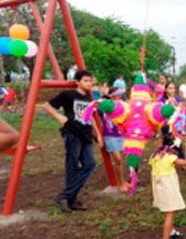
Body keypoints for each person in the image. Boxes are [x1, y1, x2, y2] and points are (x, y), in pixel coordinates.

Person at [43, 70, 103, 213]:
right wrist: (59, 117)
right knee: (72, 166)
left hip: (86, 134)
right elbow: (46, 105)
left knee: (90, 164)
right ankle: (71, 200)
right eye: (85, 81)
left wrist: (98, 134)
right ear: (77, 82)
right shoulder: (68, 95)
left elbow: (92, 116)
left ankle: (65, 196)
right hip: (72, 133)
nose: (88, 83)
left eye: (90, 81)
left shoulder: (89, 98)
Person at [148, 133, 186, 239]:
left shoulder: (155, 156)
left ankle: (171, 231)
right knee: (170, 212)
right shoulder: (170, 157)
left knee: (168, 210)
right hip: (168, 187)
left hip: (160, 188)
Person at [99, 87, 129, 193]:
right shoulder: (104, 106)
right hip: (110, 136)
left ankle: (123, 180)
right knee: (118, 159)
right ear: (111, 97)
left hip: (121, 135)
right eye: (117, 96)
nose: (119, 99)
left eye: (121, 97)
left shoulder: (122, 106)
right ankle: (120, 183)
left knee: (120, 159)